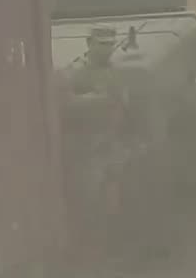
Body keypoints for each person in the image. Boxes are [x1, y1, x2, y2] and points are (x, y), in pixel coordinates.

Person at [59, 26, 129, 262]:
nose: (107, 49)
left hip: (111, 146)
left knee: (111, 205)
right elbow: (65, 106)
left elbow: (122, 102)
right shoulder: (74, 71)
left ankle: (104, 255)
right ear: (89, 43)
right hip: (86, 150)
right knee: (86, 205)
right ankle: (83, 258)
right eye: (102, 44)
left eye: (110, 44)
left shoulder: (114, 71)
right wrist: (98, 100)